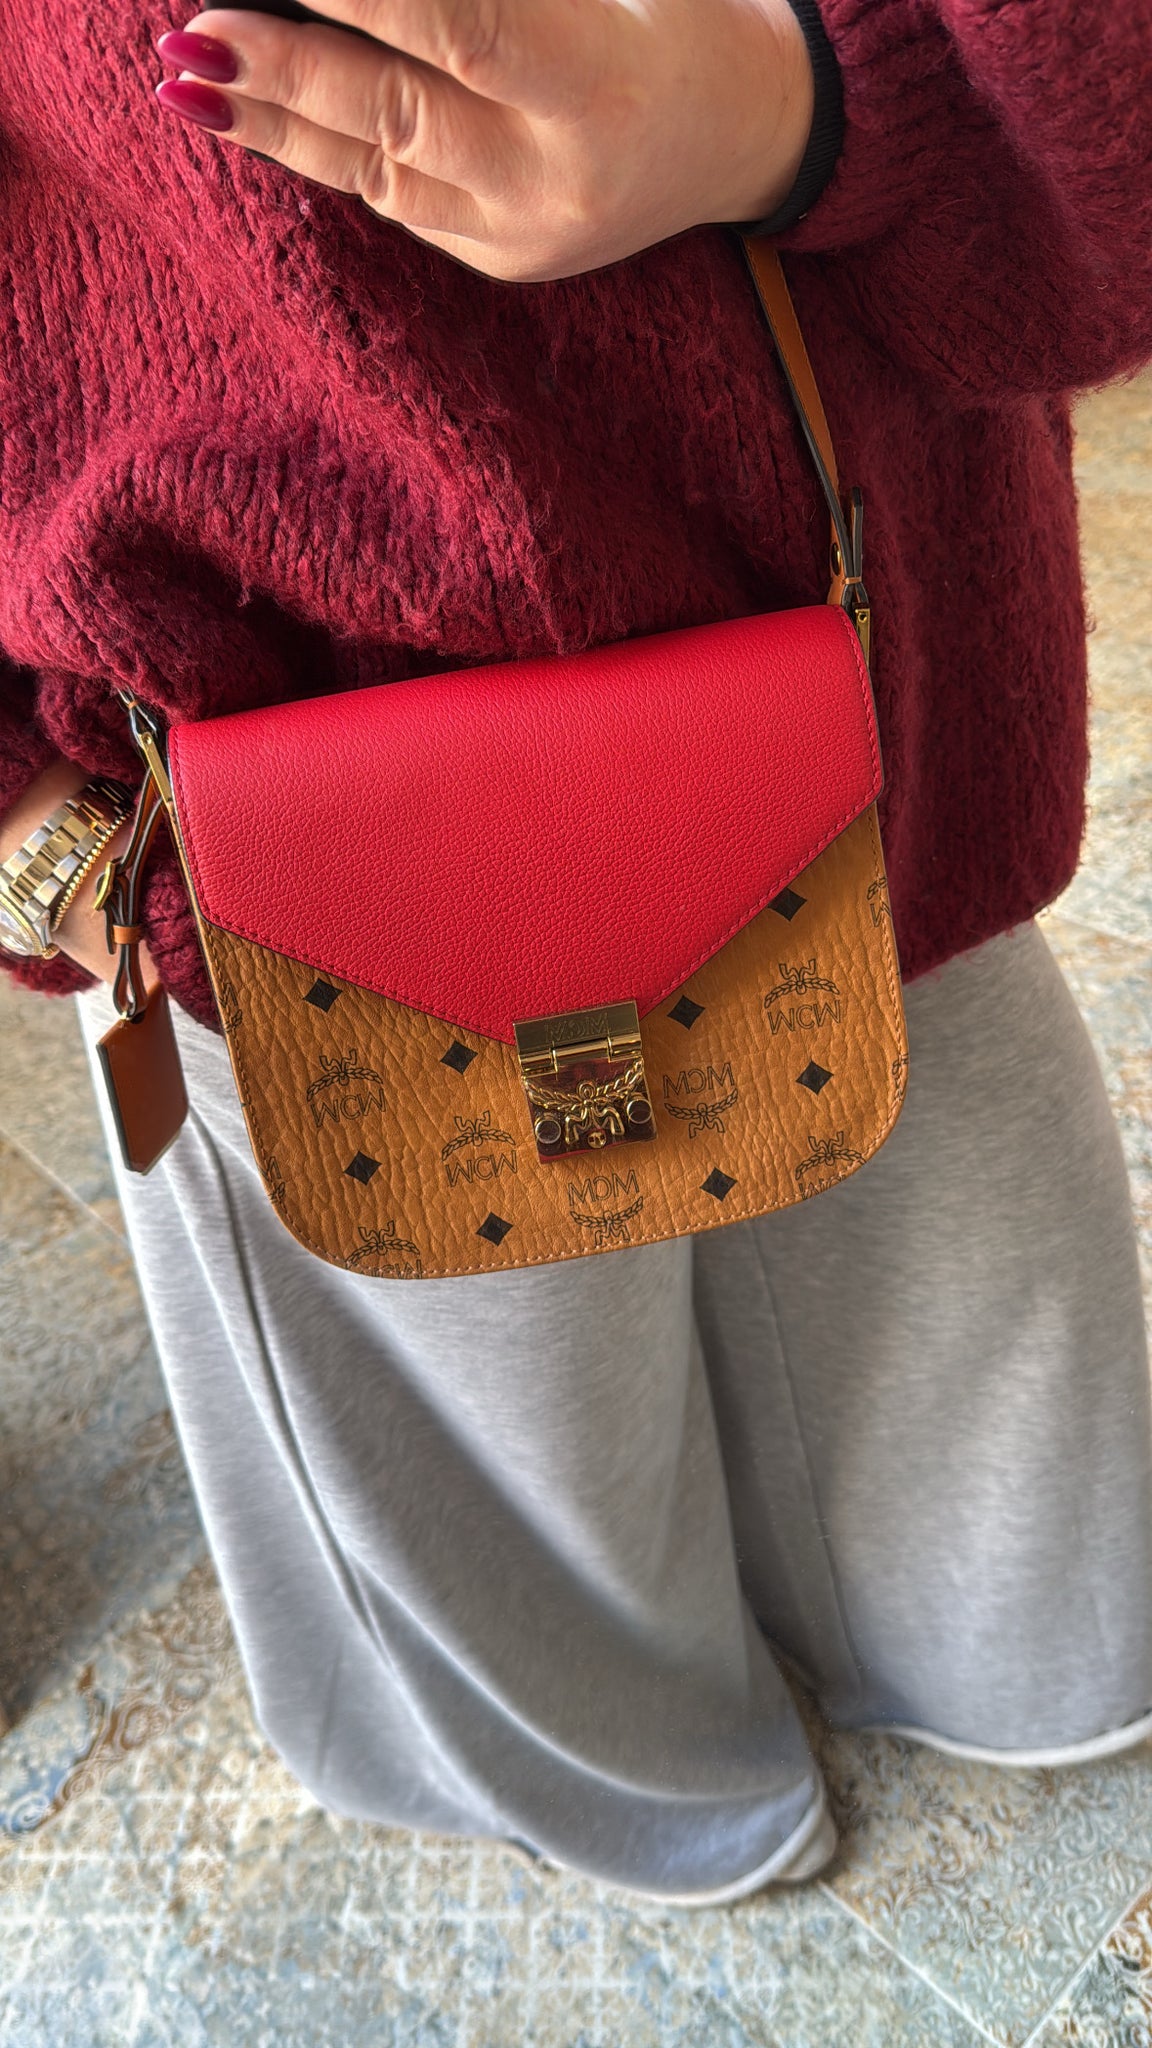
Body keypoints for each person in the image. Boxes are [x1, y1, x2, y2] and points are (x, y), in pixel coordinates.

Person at [1, 0, 1151, 1907]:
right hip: (266, 830)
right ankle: (669, 1792)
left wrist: (812, 97)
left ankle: (870, 1707)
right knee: (481, 1408)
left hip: (882, 699)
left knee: (963, 1359)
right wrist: (32, 838)